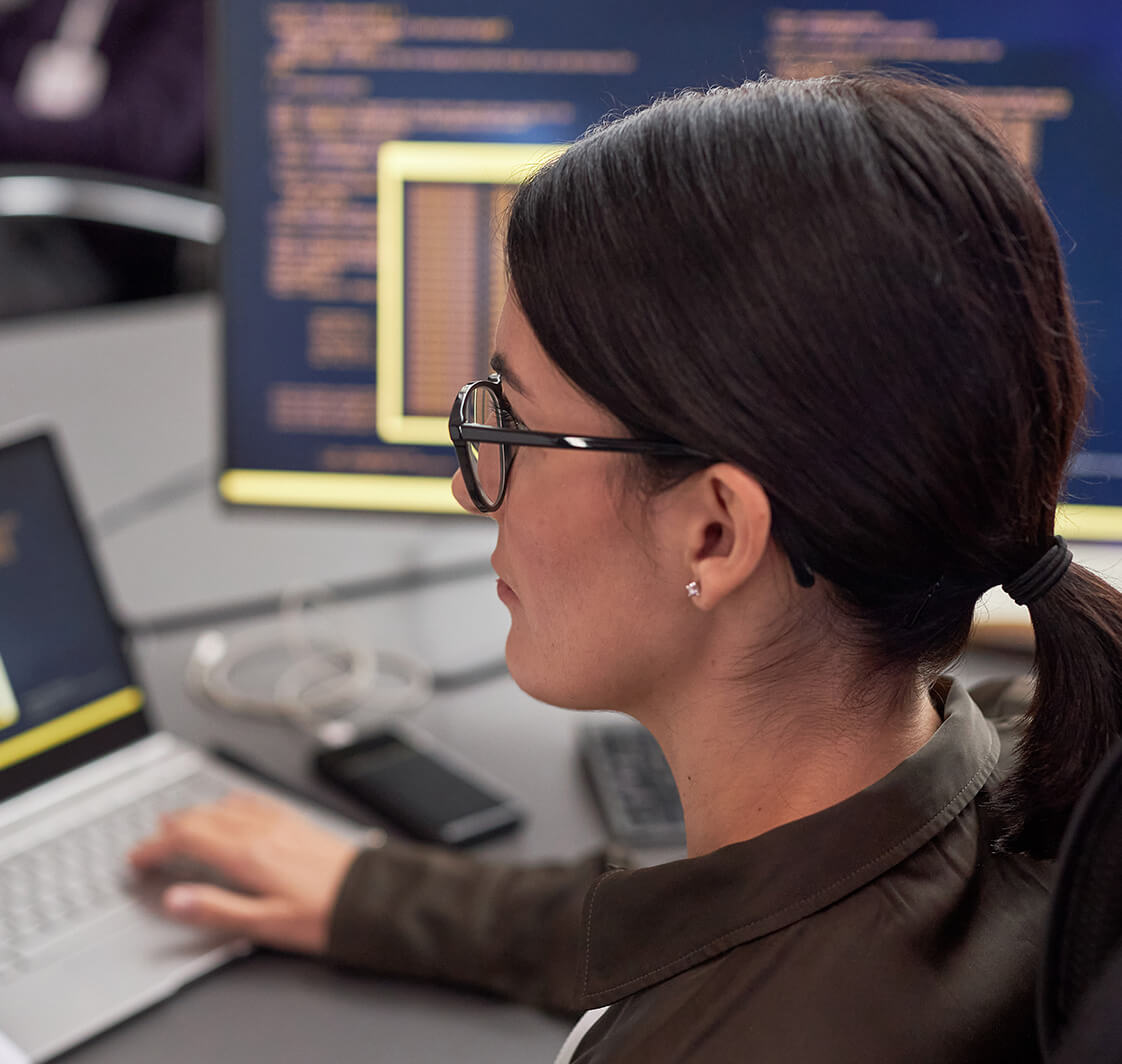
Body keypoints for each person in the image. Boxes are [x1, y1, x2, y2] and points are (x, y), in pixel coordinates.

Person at [129, 72, 1122, 1062]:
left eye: (512, 422)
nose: (470, 486)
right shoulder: (1029, 761)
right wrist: (376, 895)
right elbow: (707, 915)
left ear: (713, 534)